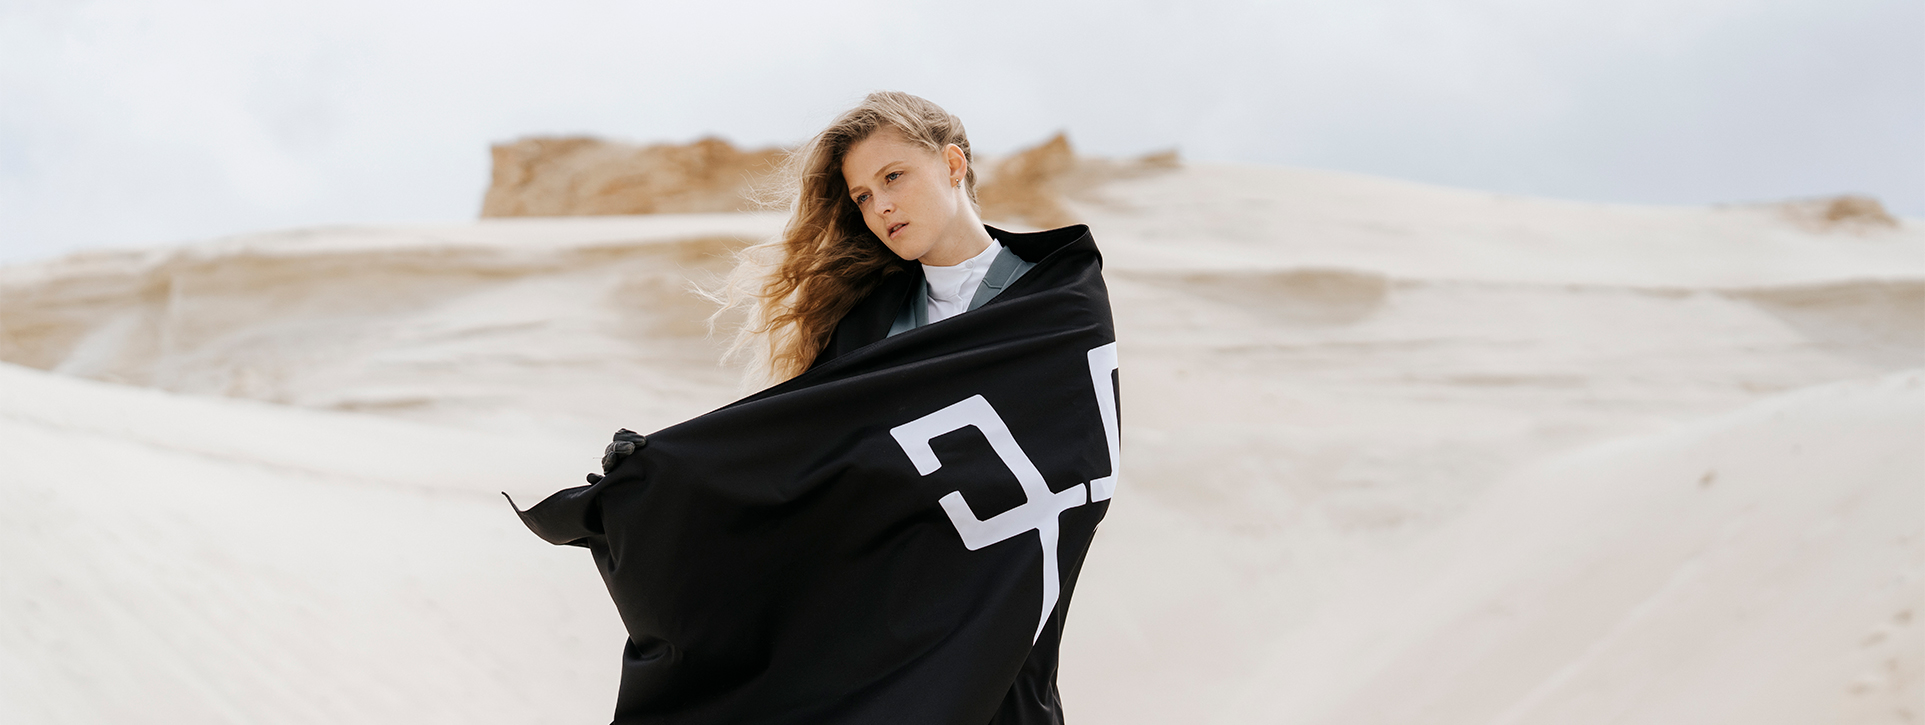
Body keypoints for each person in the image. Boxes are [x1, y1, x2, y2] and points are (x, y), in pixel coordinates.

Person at [534, 91, 1118, 725]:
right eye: (863, 196)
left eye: (893, 176)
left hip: (1004, 639)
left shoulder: (1058, 304)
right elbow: (807, 466)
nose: (881, 206)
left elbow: (1078, 468)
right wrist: (664, 479)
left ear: (952, 165)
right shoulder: (865, 328)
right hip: (886, 643)